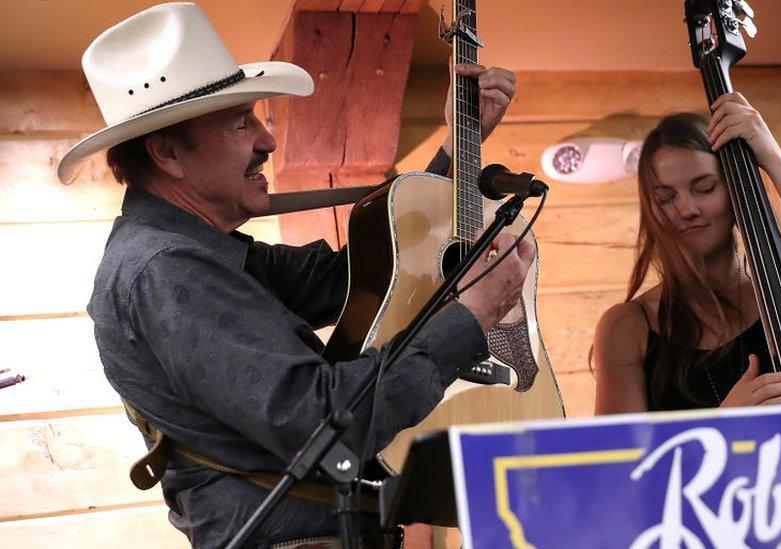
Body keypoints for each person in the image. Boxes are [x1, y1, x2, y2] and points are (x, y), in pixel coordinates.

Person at [60, 3, 527, 547]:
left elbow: (371, 270)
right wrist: (472, 318)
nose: (267, 140)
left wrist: (458, 144)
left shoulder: (199, 253)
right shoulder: (167, 270)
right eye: (241, 124)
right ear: (167, 153)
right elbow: (325, 423)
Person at [593, 93, 781, 414]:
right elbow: (624, 462)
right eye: (665, 198)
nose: (687, 209)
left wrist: (770, 155)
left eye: (705, 188)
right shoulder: (628, 328)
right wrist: (724, 425)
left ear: (735, 190)